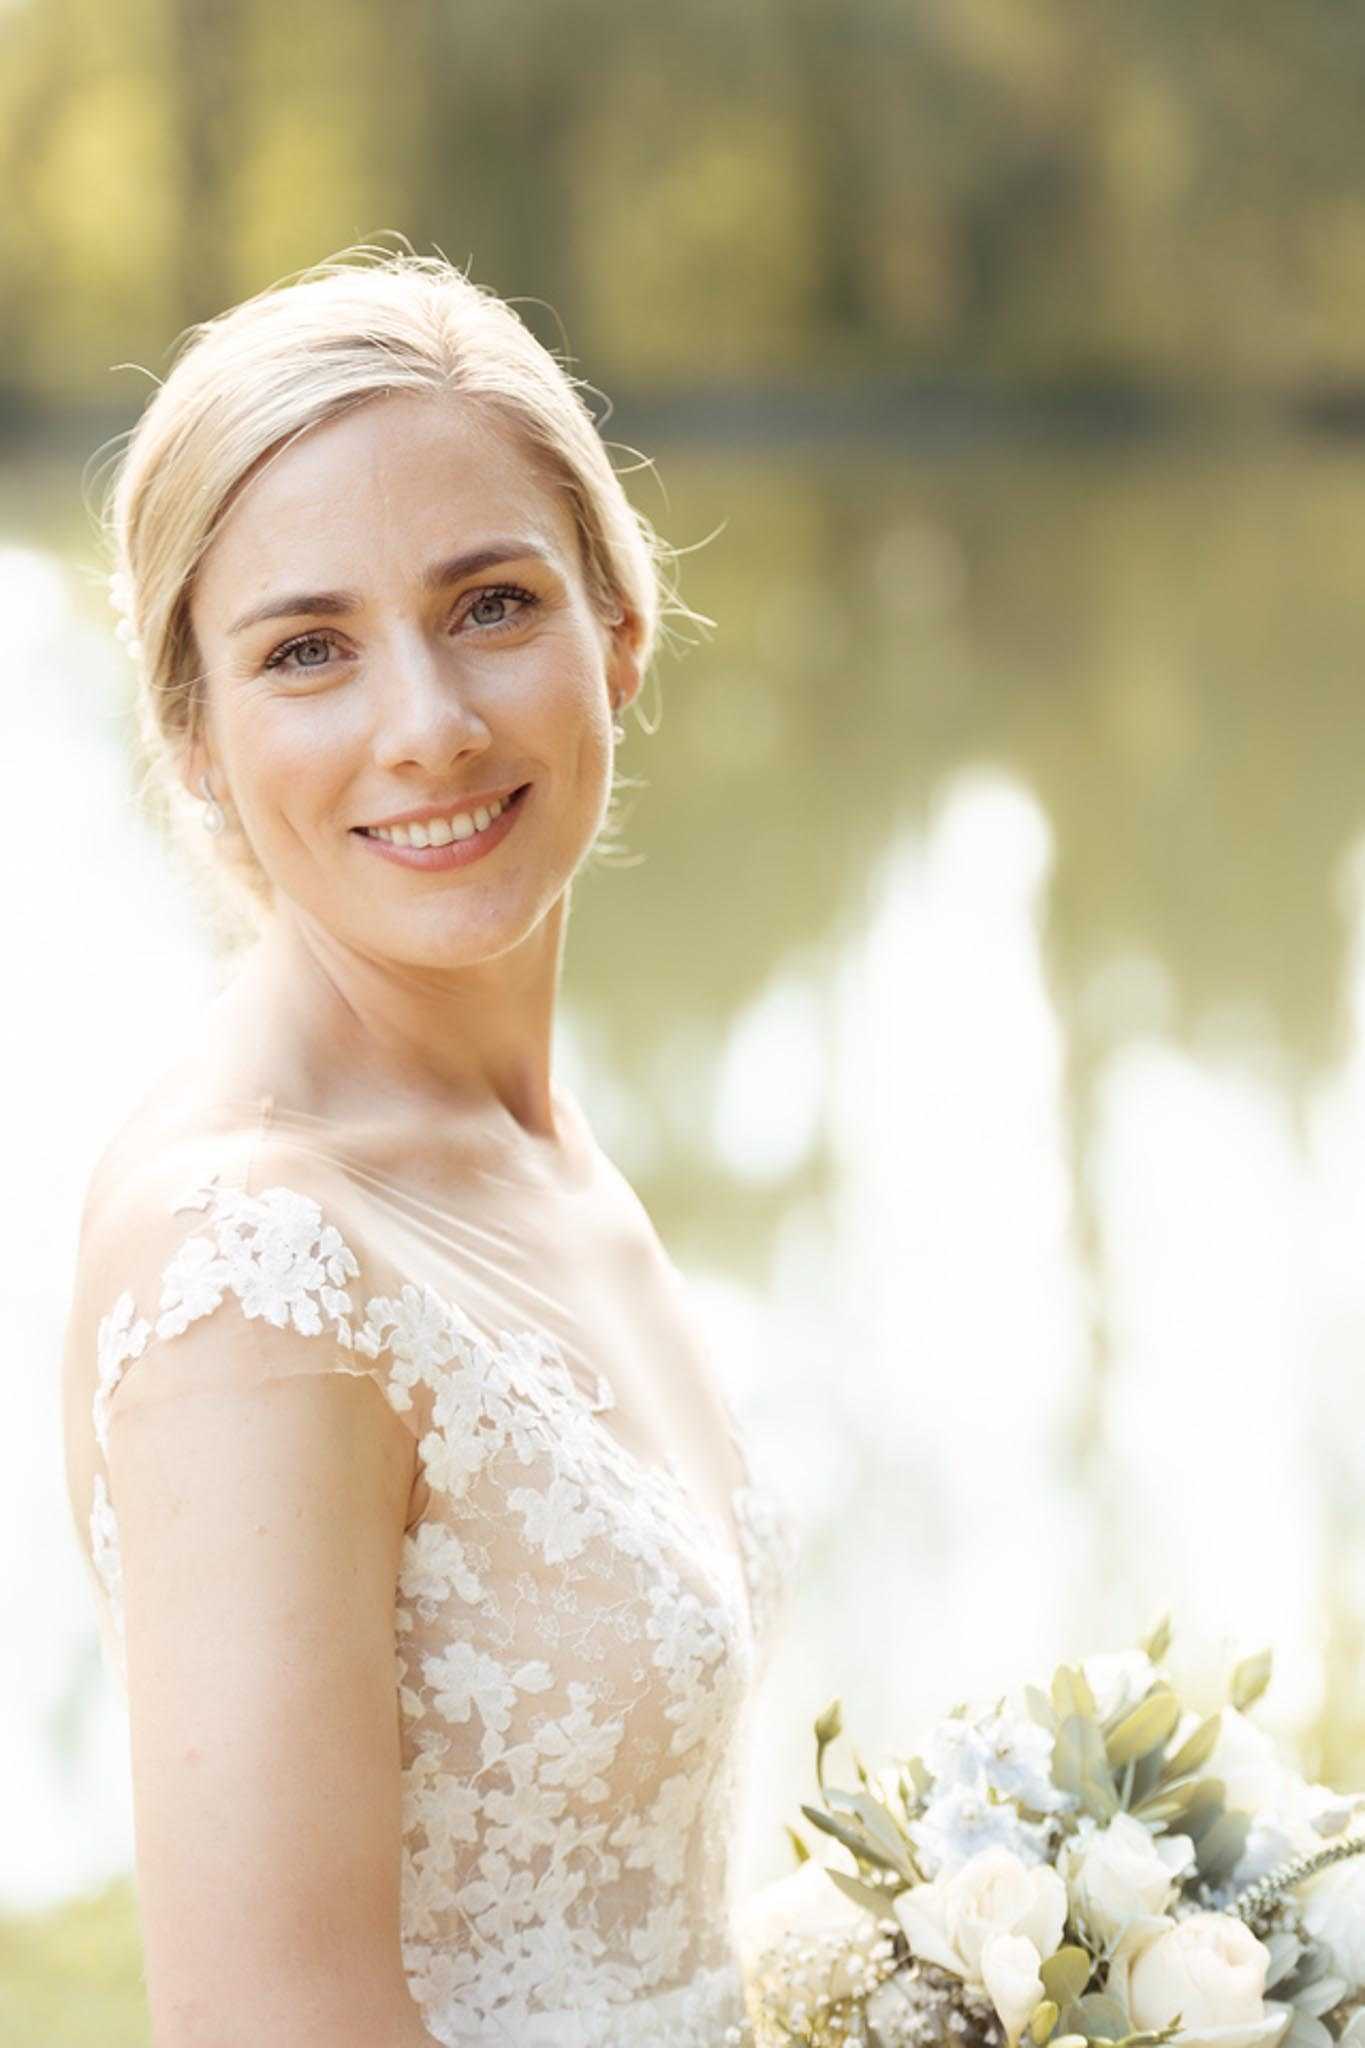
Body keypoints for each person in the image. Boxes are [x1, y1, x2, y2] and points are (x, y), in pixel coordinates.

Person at [59, 245, 799, 2048]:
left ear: (618, 630)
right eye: (306, 651)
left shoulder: (516, 1145)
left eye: (489, 605)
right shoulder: (252, 1266)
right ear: (196, 739)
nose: (428, 727)